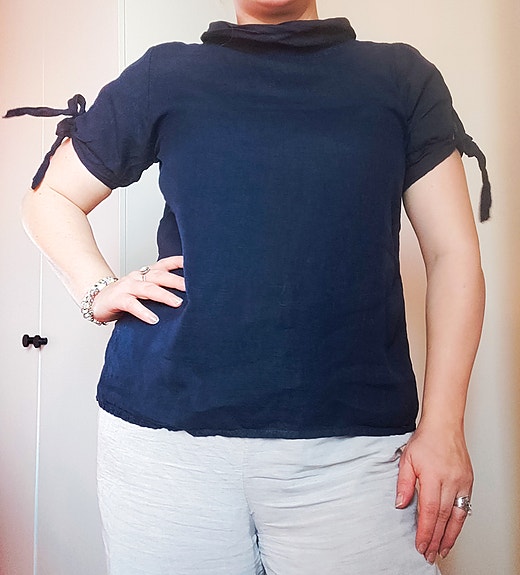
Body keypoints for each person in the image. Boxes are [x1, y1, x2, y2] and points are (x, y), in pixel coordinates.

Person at [12, 1, 487, 573]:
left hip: (355, 455)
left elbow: (452, 254)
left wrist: (444, 428)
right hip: (166, 447)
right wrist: (97, 289)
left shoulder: (401, 78)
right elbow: (51, 197)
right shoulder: (165, 75)